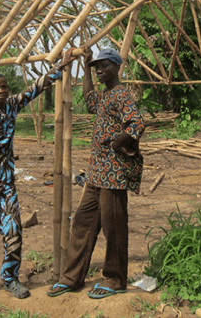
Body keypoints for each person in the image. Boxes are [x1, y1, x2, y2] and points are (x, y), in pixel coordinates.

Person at [0, 51, 75, 300]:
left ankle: (10, 278)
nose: (1, 91)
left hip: (6, 184)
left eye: (4, 87)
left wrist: (59, 67)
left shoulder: (12, 106)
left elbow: (36, 88)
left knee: (14, 231)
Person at [47, 47, 145, 300]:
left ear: (117, 67)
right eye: (96, 67)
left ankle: (115, 279)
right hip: (96, 173)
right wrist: (86, 64)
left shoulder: (121, 94)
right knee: (83, 223)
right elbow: (89, 97)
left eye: (104, 66)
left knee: (113, 226)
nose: (99, 71)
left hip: (113, 174)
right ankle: (71, 277)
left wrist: (116, 143)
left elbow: (136, 124)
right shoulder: (105, 95)